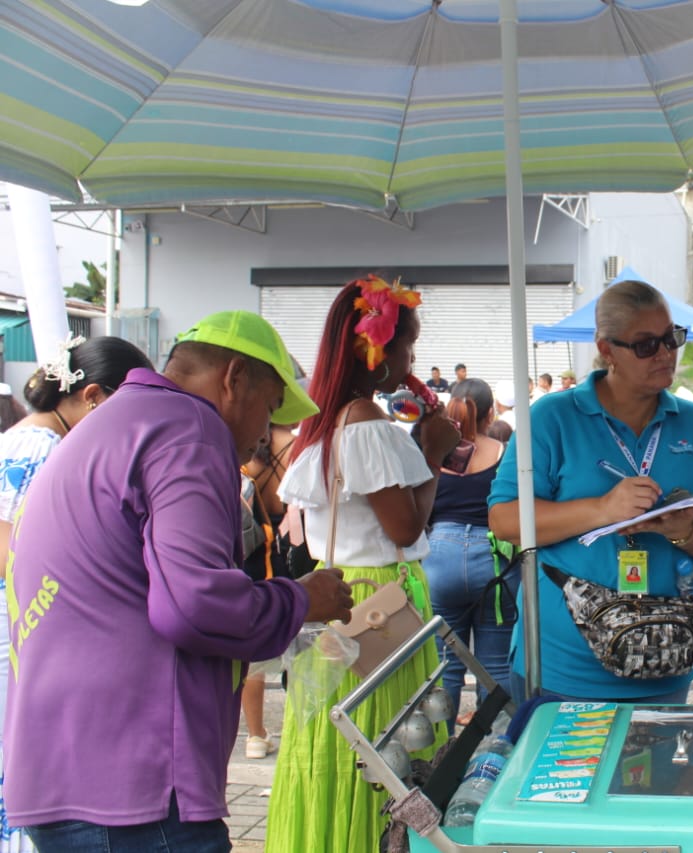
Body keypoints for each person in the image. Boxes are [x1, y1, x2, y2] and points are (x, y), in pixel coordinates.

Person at [5, 313, 352, 853]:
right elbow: (194, 605)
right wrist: (301, 598)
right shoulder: (188, 426)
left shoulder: (116, 422)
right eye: (268, 408)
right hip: (135, 785)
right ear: (234, 378)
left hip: (68, 773)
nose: (266, 433)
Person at [267, 275, 460, 852]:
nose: (412, 360)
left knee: (339, 735)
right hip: (382, 601)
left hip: (340, 591)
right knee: (389, 735)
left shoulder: (327, 420)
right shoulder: (368, 423)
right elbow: (404, 528)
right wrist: (433, 453)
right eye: (408, 346)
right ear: (375, 352)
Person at [489, 279, 693, 703]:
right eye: (646, 345)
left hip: (665, 658)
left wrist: (682, 533)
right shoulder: (552, 417)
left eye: (672, 338)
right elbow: (505, 521)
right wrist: (603, 509)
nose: (665, 354)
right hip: (564, 669)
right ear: (607, 350)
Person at [0, 335, 153, 853]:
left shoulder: (30, 438)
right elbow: (13, 544)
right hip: (25, 622)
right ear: (92, 397)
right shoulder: (45, 449)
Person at [421, 377, 517, 725]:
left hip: (438, 559)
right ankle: (498, 748)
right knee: (496, 667)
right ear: (490, 414)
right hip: (493, 563)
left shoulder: (433, 453)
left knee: (445, 667)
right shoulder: (504, 452)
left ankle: (441, 751)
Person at [238, 421, 300, 759]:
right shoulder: (295, 446)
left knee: (251, 643)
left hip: (251, 548)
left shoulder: (247, 447)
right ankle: (299, 723)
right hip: (290, 545)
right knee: (299, 636)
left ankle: (255, 734)